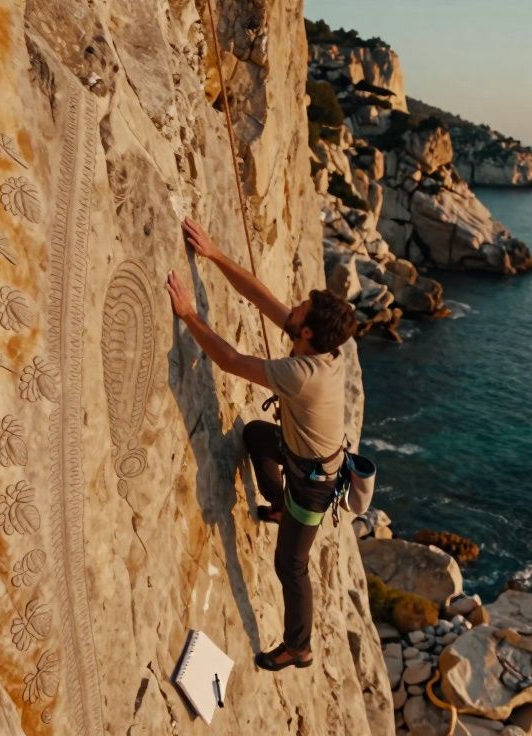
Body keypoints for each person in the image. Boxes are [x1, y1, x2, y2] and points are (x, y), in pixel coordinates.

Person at [165, 217, 358, 672]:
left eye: (303, 307)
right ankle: (280, 507)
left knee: (291, 565)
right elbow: (260, 296)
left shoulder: (303, 373)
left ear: (306, 333)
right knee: (255, 434)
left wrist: (188, 314)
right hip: (298, 454)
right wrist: (213, 253)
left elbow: (230, 360)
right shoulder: (323, 347)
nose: (295, 305)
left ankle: (299, 647)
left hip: (313, 484)